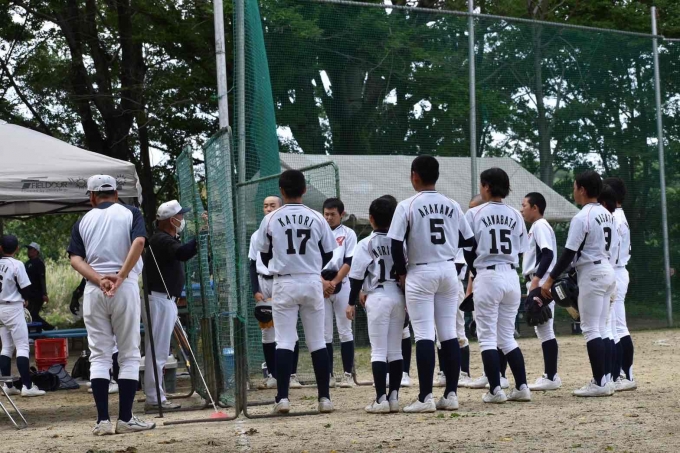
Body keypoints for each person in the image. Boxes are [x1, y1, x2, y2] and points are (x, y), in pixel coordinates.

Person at [67, 175, 155, 435]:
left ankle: (102, 421)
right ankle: (125, 418)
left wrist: (99, 279)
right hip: (123, 287)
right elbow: (139, 242)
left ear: (92, 197)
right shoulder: (131, 213)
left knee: (99, 355)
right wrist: (121, 276)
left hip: (95, 290)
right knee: (128, 354)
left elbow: (75, 259)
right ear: (116, 194)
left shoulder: (83, 220)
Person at [387, 155, 474, 413]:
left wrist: (401, 272)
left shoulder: (407, 205)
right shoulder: (453, 204)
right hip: (448, 269)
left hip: (420, 271)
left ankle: (425, 397)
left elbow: (395, 244)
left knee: (425, 333)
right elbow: (469, 241)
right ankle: (451, 395)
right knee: (448, 333)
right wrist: (447, 246)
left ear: (414, 175)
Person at [254, 169, 337, 414]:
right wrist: (311, 265)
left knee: (284, 341)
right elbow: (329, 253)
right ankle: (324, 398)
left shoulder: (271, 218)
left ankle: (282, 399)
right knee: (317, 341)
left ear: (281, 191)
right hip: (311, 280)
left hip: (284, 281)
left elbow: (263, 255)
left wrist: (283, 263)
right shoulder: (317, 217)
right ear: (304, 190)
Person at [541, 170, 617, 397]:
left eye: (575, 186)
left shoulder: (582, 216)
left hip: (591, 272)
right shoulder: (607, 214)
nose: (573, 190)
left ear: (582, 189)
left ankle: (599, 383)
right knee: (601, 328)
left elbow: (568, 253)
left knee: (590, 328)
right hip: (607, 269)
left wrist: (550, 279)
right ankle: (606, 380)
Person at [465, 168, 530, 404]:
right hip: (511, 275)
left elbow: (467, 250)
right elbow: (521, 249)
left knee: (487, 338)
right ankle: (522, 387)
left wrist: (476, 273)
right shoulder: (515, 214)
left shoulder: (474, 213)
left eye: (482, 184)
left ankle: (495, 390)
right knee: (506, 337)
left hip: (487, 274)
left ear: (487, 186)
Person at [142, 200, 204, 411]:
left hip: (164, 299)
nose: (183, 219)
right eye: (180, 216)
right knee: (158, 351)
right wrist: (201, 235)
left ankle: (155, 396)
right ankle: (154, 399)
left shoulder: (165, 238)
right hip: (159, 299)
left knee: (159, 350)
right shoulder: (161, 239)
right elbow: (183, 253)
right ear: (171, 220)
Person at [346, 197, 405, 413]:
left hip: (377, 296)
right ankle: (394, 397)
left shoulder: (366, 243)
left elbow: (356, 277)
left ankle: (381, 399)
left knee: (378, 351)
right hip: (398, 294)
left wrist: (350, 302)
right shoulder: (401, 241)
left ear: (371, 218)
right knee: (395, 350)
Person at [248, 195, 302, 389]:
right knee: (267, 331)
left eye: (272, 205)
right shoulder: (256, 235)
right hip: (264, 282)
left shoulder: (287, 232)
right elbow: (252, 264)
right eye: (265, 206)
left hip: (283, 281)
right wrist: (255, 290)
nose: (268, 209)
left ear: (280, 208)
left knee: (289, 329)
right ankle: (273, 375)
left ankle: (292, 375)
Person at [520, 192, 561, 391]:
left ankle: (551, 376)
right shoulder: (537, 227)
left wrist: (536, 280)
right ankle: (550, 375)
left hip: (541, 280)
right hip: (540, 280)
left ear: (535, 207)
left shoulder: (540, 225)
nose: (522, 209)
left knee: (545, 329)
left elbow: (548, 254)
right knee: (543, 328)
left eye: (524, 205)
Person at [0, 235, 46, 397]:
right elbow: (26, 288)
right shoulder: (17, 264)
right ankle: (27, 386)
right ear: (17, 248)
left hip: (0, 308)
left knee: (6, 347)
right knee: (22, 346)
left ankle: (8, 385)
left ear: (1, 248)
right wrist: (26, 299)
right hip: (13, 307)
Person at [603, 177, 636, 391]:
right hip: (617, 272)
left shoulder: (614, 218)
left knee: (617, 327)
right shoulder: (618, 216)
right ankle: (622, 374)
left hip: (615, 272)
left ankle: (623, 375)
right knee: (616, 326)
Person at [321, 198, 357, 388]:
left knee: (345, 330)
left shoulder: (348, 234)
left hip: (342, 282)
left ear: (341, 214)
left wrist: (334, 282)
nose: (328, 218)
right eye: (326, 214)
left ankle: (347, 374)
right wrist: (323, 283)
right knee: (325, 333)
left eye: (332, 214)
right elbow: (310, 261)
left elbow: (349, 261)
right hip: (321, 284)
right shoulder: (317, 231)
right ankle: (328, 375)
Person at [24, 242, 55, 330]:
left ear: (36, 251)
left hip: (37, 294)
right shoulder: (27, 263)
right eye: (28, 249)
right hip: (29, 294)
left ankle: (50, 329)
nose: (28, 251)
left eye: (31, 249)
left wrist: (44, 293)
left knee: (32, 315)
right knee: (29, 315)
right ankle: (37, 332)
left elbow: (42, 278)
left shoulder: (39, 263)